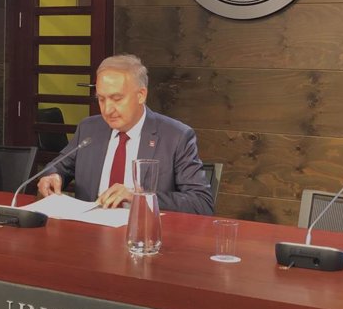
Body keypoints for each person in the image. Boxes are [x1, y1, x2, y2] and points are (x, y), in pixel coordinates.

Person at [37, 54, 213, 215]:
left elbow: (201, 203)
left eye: (116, 98)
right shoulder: (89, 128)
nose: (107, 109)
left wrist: (138, 197)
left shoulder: (176, 137)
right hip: (90, 234)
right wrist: (52, 176)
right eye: (101, 99)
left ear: (141, 95)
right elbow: (59, 167)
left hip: (145, 237)